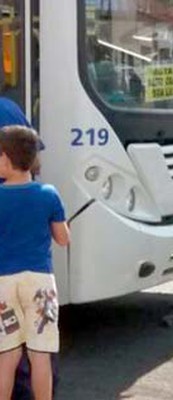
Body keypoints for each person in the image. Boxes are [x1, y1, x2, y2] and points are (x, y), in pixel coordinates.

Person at [0, 126, 70, 400]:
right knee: (40, 354)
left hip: (3, 284)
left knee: (7, 355)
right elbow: (62, 238)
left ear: (5, 159)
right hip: (40, 284)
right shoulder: (48, 194)